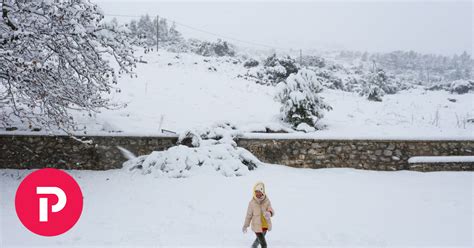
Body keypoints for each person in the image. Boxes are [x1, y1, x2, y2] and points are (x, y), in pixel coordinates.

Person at [242, 181, 274, 248]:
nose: (258, 193)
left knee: (258, 240)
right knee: (264, 244)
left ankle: (253, 246)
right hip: (256, 226)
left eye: (259, 191)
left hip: (265, 225)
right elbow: (248, 216)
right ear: (254, 192)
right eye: (256, 192)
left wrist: (269, 213)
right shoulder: (252, 203)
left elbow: (271, 209)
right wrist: (245, 225)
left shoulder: (266, 201)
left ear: (263, 192)